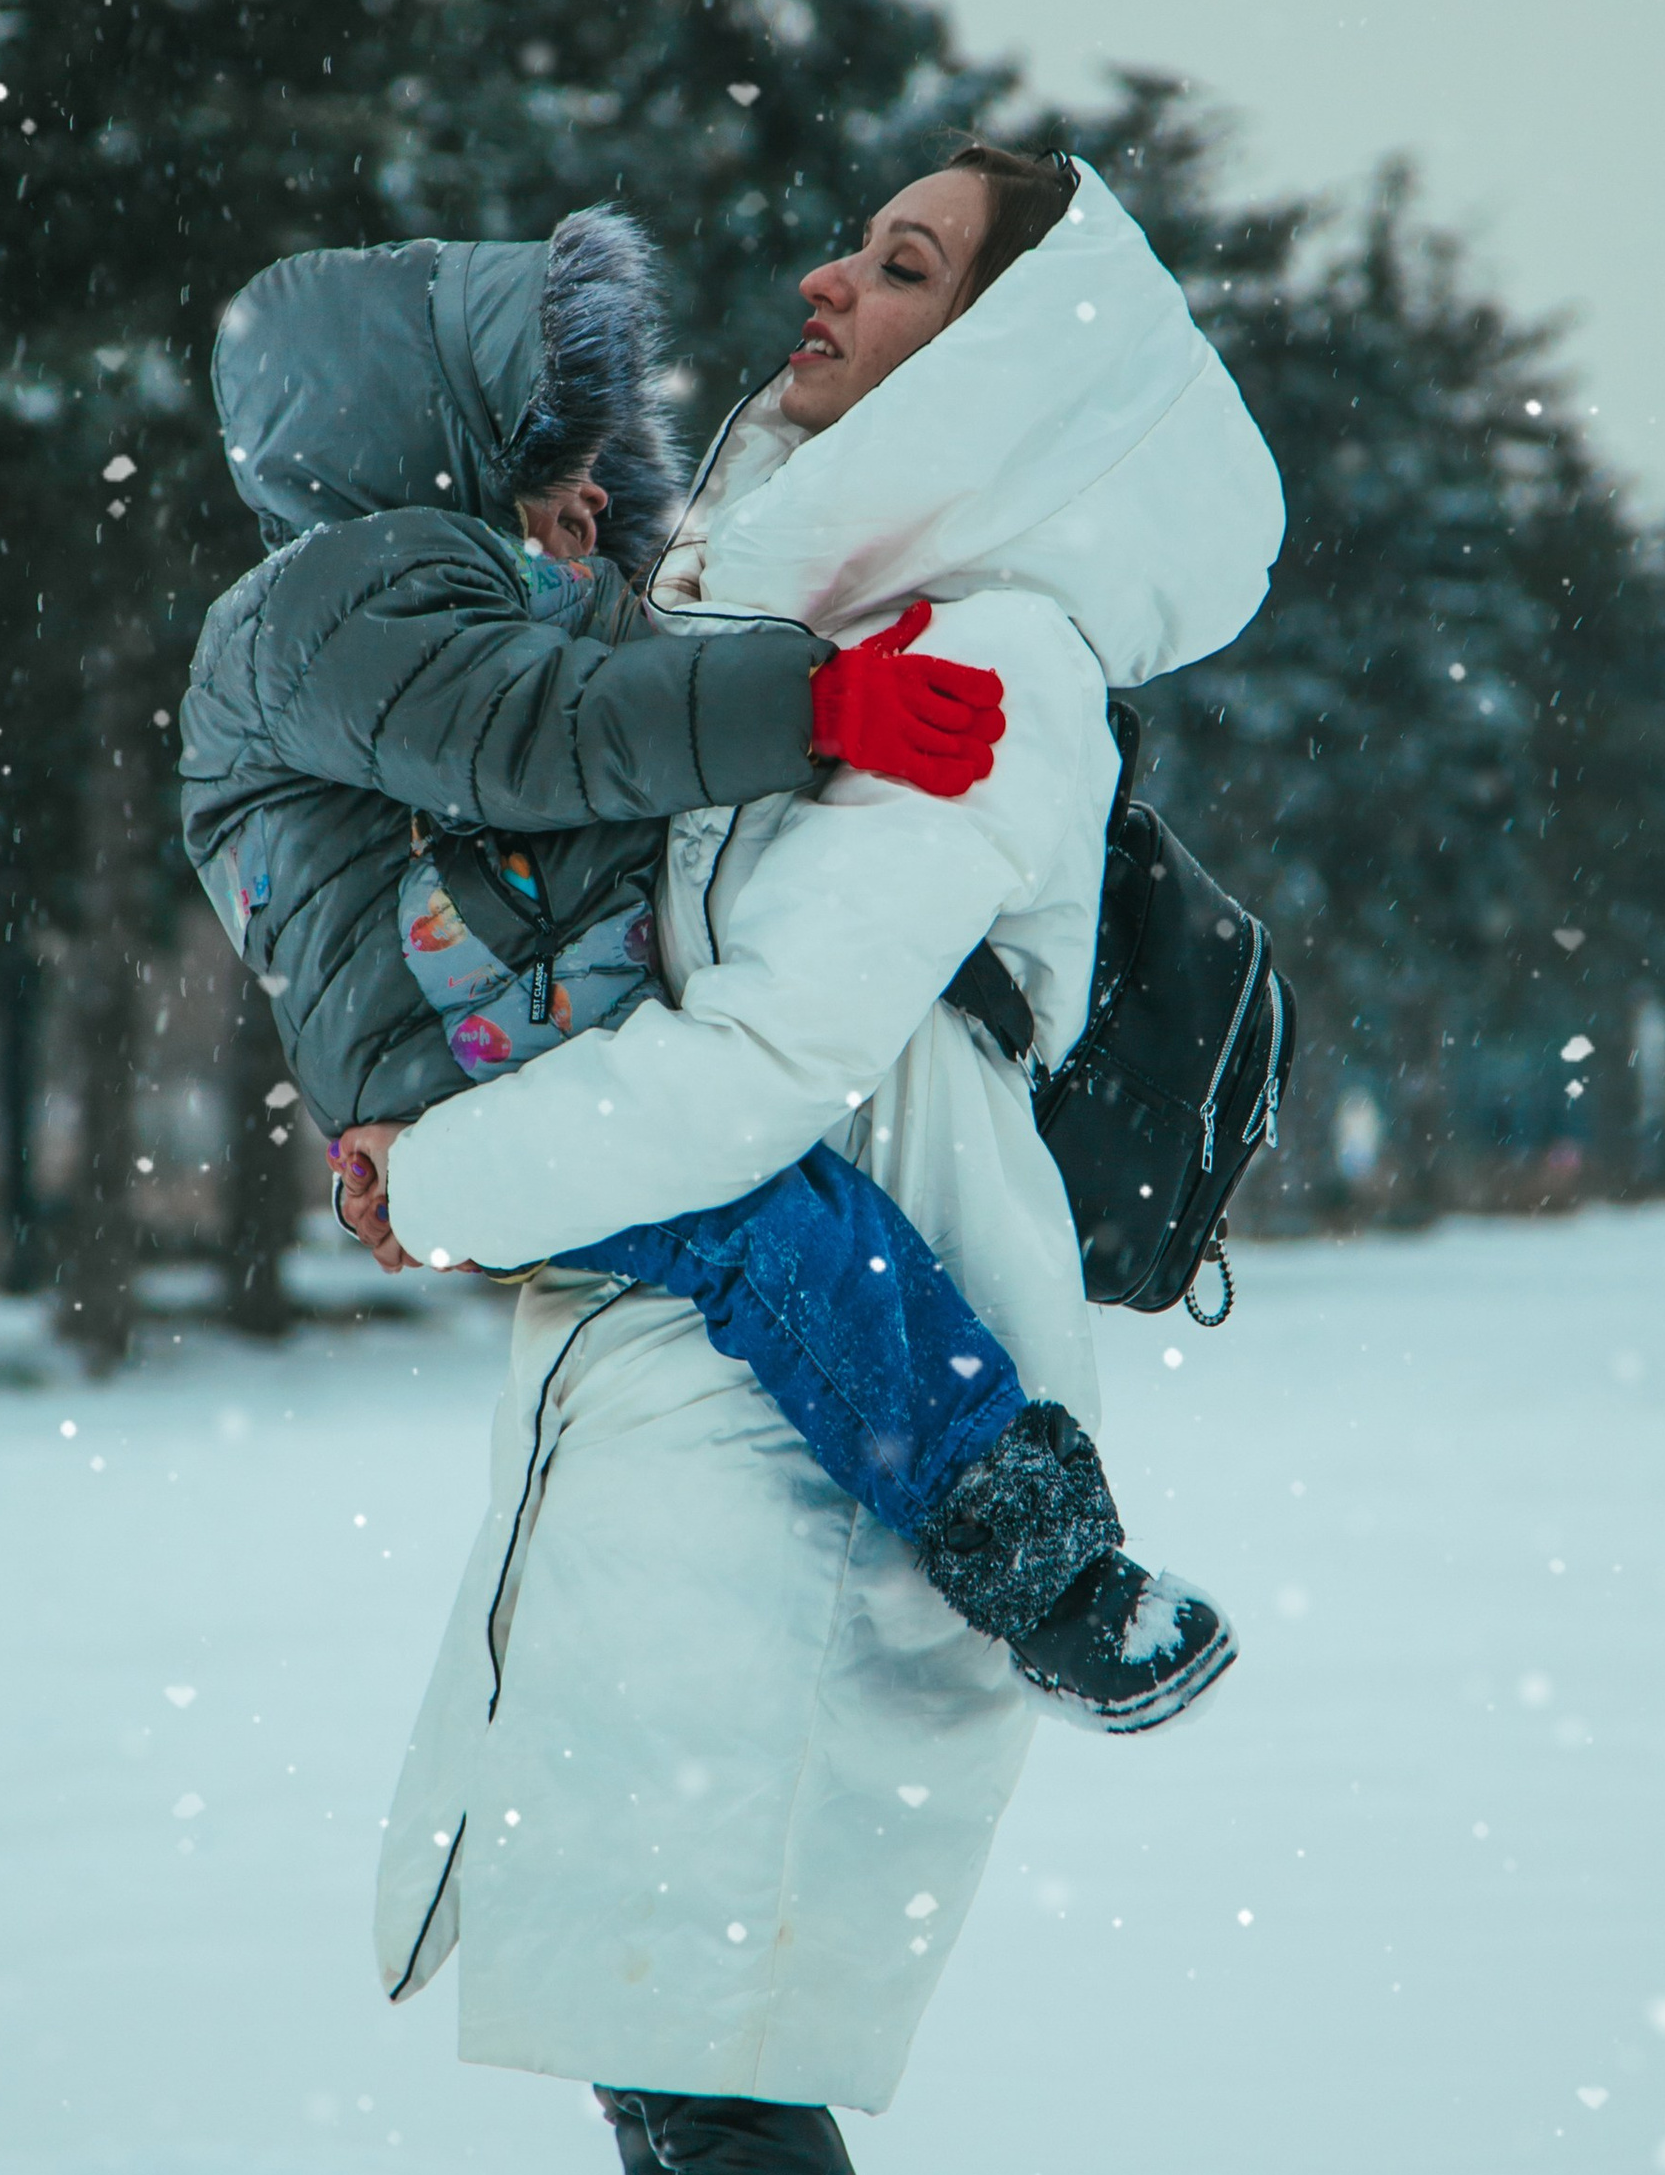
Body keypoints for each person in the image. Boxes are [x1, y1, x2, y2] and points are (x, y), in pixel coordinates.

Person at [348, 144, 1287, 2175]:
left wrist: (458, 1173)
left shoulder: (984, 645)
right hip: (704, 1375)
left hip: (829, 1387)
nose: (822, 283)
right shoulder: (786, 630)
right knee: (662, 2018)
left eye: (900, 264)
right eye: (852, 245)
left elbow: (764, 1071)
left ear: (1016, 351)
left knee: (728, 2036)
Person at [178, 204, 1232, 1727]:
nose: (593, 496)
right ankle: (1029, 1550)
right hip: (476, 1063)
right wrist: (819, 708)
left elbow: (604, 710)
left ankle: (1022, 1522)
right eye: (552, 459)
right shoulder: (333, 600)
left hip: (518, 1046)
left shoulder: (435, 593)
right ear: (428, 445)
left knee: (770, 1218)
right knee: (763, 1227)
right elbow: (544, 730)